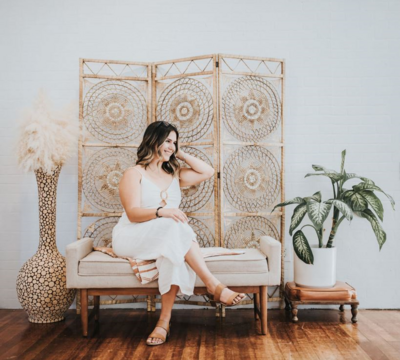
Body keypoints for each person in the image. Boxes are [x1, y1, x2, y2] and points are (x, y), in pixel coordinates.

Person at [112, 121, 245, 346]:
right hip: (130, 236)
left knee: (172, 252)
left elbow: (208, 171)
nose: (171, 146)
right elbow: (133, 214)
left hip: (164, 235)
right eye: (167, 141)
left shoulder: (174, 173)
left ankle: (164, 321)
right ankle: (213, 285)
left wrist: (178, 152)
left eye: (174, 142)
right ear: (152, 140)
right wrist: (162, 211)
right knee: (174, 226)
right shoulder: (133, 173)